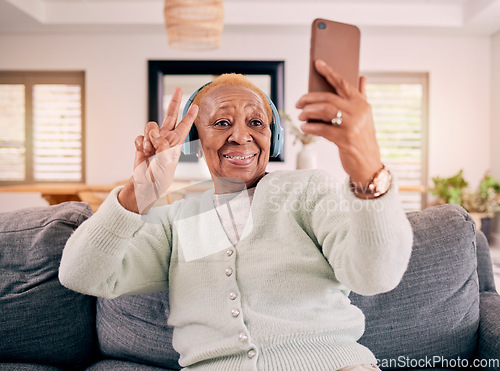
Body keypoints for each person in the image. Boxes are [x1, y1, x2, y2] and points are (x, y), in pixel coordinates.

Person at [59, 59, 413, 371]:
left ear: (272, 138)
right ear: (194, 139)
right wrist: (139, 192)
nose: (241, 136)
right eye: (222, 123)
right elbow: (82, 274)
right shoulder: (175, 218)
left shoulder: (308, 191)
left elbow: (374, 276)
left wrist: (368, 170)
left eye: (257, 123)